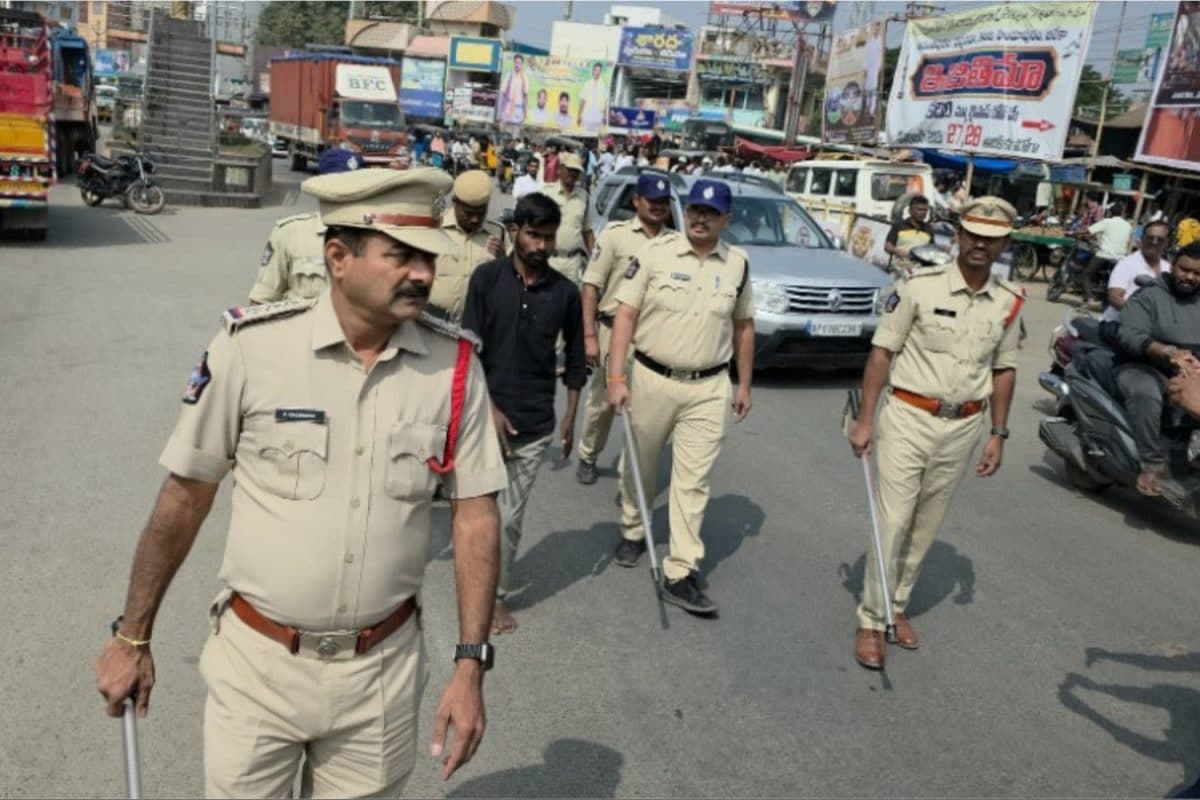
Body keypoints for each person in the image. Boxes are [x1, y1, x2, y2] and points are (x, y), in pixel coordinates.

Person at [94, 168, 508, 796]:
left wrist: (470, 665)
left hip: (382, 679)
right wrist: (132, 636)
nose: (423, 273)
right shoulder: (251, 350)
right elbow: (185, 499)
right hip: (258, 671)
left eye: (427, 256)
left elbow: (476, 517)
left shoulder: (453, 368)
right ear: (337, 258)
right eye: (401, 256)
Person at [847, 197, 1024, 670]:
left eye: (991, 238)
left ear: (1004, 243)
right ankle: (870, 617)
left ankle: (896, 605)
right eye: (973, 234)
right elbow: (882, 353)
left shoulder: (1009, 302)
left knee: (926, 524)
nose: (981, 244)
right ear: (959, 236)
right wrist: (865, 419)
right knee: (893, 520)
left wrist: (999, 432)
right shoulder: (918, 287)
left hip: (963, 424)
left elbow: (1004, 369)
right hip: (908, 415)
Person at [606, 179, 755, 615]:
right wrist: (617, 376)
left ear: (726, 220)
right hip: (652, 378)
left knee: (693, 481)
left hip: (709, 388)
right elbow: (625, 317)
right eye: (694, 209)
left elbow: (744, 326)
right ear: (683, 211)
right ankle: (633, 528)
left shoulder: (739, 265)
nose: (700, 217)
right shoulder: (654, 254)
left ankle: (679, 569)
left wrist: (744, 383)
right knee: (643, 466)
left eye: (711, 212)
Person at [462, 192, 587, 634]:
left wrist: (571, 415)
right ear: (515, 232)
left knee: (509, 518)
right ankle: (473, 587)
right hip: (480, 419)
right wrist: (489, 409)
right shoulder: (486, 279)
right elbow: (468, 348)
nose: (541, 246)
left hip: (534, 423)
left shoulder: (565, 293)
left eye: (549, 238)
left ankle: (494, 596)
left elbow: (576, 357)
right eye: (534, 235)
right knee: (478, 512)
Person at [576, 173, 673, 485]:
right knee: (602, 405)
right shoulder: (615, 236)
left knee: (644, 410)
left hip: (651, 337)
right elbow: (591, 287)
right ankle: (588, 453)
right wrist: (589, 335)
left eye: (663, 202)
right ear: (636, 202)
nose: (657, 207)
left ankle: (630, 475)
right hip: (610, 332)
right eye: (651, 201)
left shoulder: (674, 243)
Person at [1114, 243, 1200, 496]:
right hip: (1141, 366)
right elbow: (1129, 335)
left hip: (1188, 373)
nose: (1190, 277)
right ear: (1173, 265)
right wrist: (1167, 351)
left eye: (1197, 273)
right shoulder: (1148, 296)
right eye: (1185, 269)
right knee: (1146, 391)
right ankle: (1151, 464)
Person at [247, 149, 361, 304]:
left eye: (357, 185)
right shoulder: (290, 233)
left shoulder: (377, 237)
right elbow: (261, 301)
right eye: (341, 185)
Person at [429, 170, 504, 323]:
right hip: (432, 322)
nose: (475, 219)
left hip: (475, 327)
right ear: (455, 202)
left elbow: (511, 282)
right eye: (468, 213)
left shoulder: (498, 233)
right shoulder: (435, 227)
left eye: (481, 212)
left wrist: (503, 259)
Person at [1102, 219, 1171, 323]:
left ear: (1167, 243)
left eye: (1160, 239)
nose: (1154, 242)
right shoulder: (1127, 263)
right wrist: (1142, 315)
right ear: (1142, 238)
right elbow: (1114, 298)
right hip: (1118, 323)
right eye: (1150, 238)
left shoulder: (1169, 268)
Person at [543, 150, 594, 283]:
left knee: (570, 301)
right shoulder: (546, 194)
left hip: (573, 262)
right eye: (569, 169)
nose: (572, 173)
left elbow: (587, 231)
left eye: (576, 171)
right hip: (549, 259)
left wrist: (595, 259)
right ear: (560, 169)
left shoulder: (584, 197)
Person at [1082, 201, 1134, 307]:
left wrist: (1073, 232)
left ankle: (1090, 299)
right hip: (1120, 258)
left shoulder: (1107, 222)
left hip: (1104, 254)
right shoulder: (1128, 225)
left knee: (1087, 274)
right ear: (1122, 213)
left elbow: (1089, 231)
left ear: (1110, 213)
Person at [884, 194, 934, 272]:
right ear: (910, 211)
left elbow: (931, 251)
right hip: (899, 270)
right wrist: (897, 251)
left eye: (925, 210)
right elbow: (887, 246)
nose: (923, 213)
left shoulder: (929, 229)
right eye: (919, 209)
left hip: (919, 272)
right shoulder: (899, 226)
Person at [577, 62, 608, 133]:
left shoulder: (603, 86)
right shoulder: (587, 84)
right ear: (593, 71)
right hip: (587, 117)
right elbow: (582, 101)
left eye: (599, 71)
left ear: (600, 72)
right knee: (585, 137)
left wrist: (605, 116)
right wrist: (579, 115)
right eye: (595, 70)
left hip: (598, 118)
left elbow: (605, 102)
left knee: (596, 139)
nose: (597, 72)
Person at [499, 54, 527, 124]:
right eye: (516, 62)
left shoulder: (524, 78)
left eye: (519, 63)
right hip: (507, 112)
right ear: (513, 63)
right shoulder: (508, 76)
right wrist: (500, 112)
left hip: (518, 113)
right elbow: (502, 94)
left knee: (515, 134)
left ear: (522, 64)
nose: (517, 65)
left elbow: (525, 96)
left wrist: (525, 114)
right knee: (504, 133)